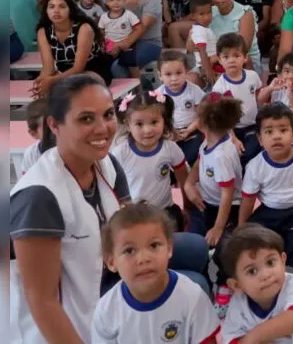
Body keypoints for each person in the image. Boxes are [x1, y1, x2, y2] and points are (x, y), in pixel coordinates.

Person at [10, 74, 208, 343]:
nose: (103, 129)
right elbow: (41, 301)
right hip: (82, 307)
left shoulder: (106, 164)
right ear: (54, 125)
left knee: (197, 250)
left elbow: (130, 223)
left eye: (107, 115)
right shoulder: (38, 197)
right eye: (86, 119)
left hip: (112, 262)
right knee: (194, 283)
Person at [238, 103, 293, 317]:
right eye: (269, 132)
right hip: (269, 211)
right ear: (260, 139)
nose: (277, 136)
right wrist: (242, 227)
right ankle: (265, 294)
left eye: (283, 130)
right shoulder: (256, 165)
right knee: (256, 245)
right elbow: (248, 200)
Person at [93, 204, 220, 344]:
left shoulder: (193, 297)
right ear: (111, 262)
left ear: (169, 248)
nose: (143, 258)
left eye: (153, 245)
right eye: (129, 251)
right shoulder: (105, 311)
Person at [183, 92, 244, 313]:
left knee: (225, 252)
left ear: (203, 123)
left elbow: (227, 194)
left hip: (228, 209)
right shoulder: (208, 142)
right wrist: (189, 185)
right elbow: (199, 162)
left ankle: (224, 293)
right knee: (195, 244)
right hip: (207, 205)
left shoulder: (222, 154)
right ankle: (201, 289)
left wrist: (219, 227)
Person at [221, 224, 293, 343]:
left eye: (270, 263)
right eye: (252, 271)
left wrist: (254, 337)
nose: (266, 275)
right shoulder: (238, 302)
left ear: (283, 260)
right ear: (236, 285)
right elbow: (231, 338)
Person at [110, 90, 190, 230]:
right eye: (139, 124)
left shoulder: (171, 149)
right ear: (128, 125)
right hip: (134, 216)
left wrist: (187, 208)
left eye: (154, 122)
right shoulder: (119, 154)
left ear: (163, 121)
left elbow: (184, 181)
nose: (147, 130)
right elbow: (111, 189)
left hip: (165, 212)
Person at [33, 0, 113, 97]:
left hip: (92, 70)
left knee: (72, 89)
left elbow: (78, 68)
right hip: (65, 72)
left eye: (62, 6)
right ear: (46, 11)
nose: (56, 11)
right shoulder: (43, 31)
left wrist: (51, 80)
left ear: (70, 9)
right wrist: (42, 81)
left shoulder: (84, 28)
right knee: (45, 90)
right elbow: (48, 68)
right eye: (51, 7)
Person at [212, 33, 263, 167]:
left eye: (236, 55)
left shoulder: (252, 76)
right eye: (226, 56)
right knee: (233, 152)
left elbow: (259, 97)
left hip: (252, 126)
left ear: (245, 57)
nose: (231, 60)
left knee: (252, 150)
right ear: (219, 59)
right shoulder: (219, 87)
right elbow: (222, 117)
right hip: (230, 128)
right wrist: (233, 137)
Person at [114, 0, 164, 78]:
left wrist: (123, 44)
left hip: (149, 43)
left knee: (118, 67)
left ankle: (138, 92)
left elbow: (144, 26)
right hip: (126, 43)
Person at [157, 49, 205, 166]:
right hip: (169, 133)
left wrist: (189, 129)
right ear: (160, 76)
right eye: (168, 74)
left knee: (191, 156)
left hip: (192, 131)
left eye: (178, 73)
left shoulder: (194, 90)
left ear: (186, 72)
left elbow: (202, 115)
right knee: (165, 159)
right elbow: (158, 118)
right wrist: (168, 132)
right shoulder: (158, 94)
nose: (174, 78)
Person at [206, 0, 262, 75]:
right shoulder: (208, 13)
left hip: (243, 61)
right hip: (217, 59)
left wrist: (216, 57)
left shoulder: (246, 13)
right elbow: (194, 44)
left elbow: (243, 48)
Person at [259, 51, 293, 148]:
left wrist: (290, 93)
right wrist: (270, 88)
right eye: (287, 71)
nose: (291, 76)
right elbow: (260, 100)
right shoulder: (277, 89)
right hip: (277, 136)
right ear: (280, 74)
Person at [99, 0, 140, 67]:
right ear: (106, 2)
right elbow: (101, 32)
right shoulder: (103, 17)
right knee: (104, 62)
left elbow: (138, 28)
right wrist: (103, 45)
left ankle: (136, 80)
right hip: (109, 46)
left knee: (131, 61)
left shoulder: (129, 15)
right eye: (111, 0)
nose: (115, 2)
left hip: (127, 45)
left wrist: (124, 44)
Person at [187, 0, 220, 86]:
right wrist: (208, 70)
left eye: (209, 12)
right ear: (193, 16)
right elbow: (202, 50)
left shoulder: (204, 28)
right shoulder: (199, 30)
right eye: (201, 14)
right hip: (207, 65)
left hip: (211, 62)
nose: (206, 17)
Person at [14, 97, 47, 178]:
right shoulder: (31, 155)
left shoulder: (72, 149)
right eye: (48, 129)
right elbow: (27, 182)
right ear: (34, 134)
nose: (56, 131)